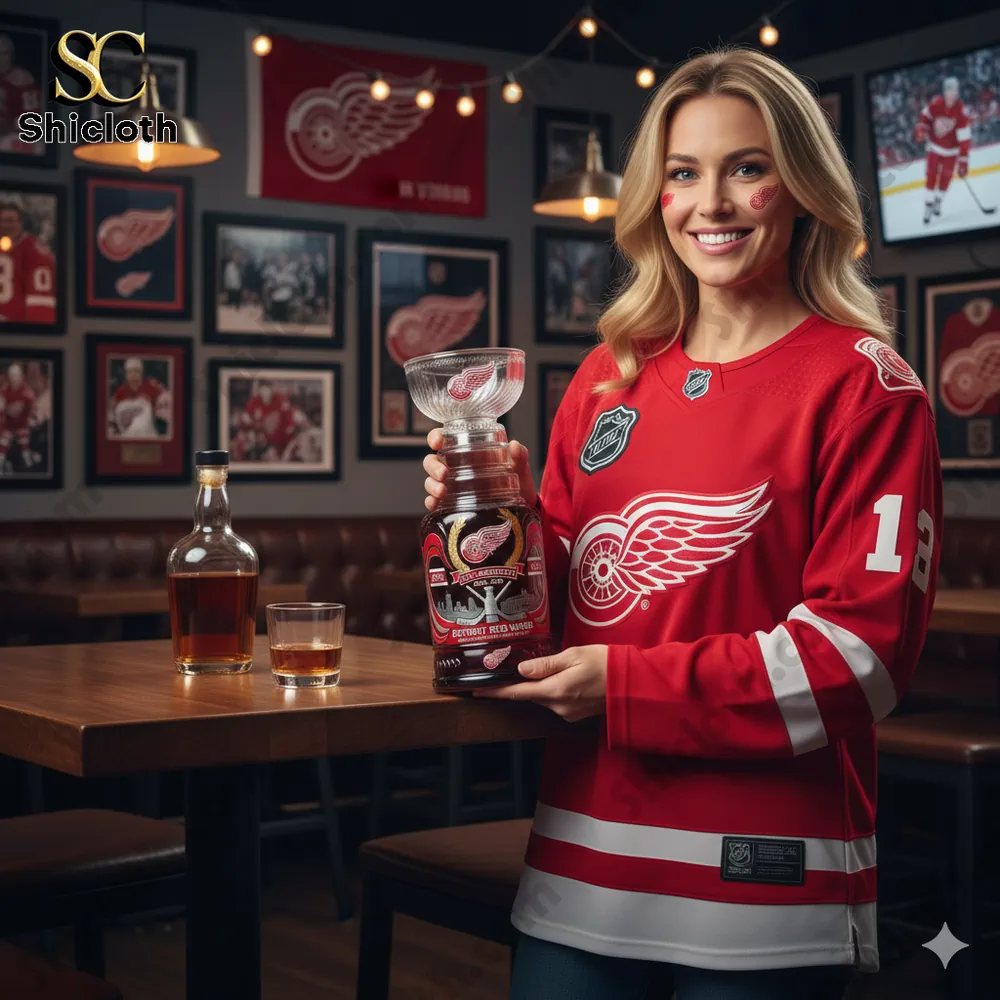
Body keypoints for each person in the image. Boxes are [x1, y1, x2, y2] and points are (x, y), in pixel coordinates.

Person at [422, 47, 943, 1000]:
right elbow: (573, 598)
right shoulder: (609, 373)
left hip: (764, 876)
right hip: (582, 852)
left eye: (747, 168)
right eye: (683, 173)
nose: (713, 203)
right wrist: (494, 523)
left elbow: (857, 660)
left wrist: (625, 685)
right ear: (653, 198)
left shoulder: (868, 386)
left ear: (802, 189)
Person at [914, 75, 971, 225]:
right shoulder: (935, 104)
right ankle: (928, 206)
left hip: (952, 152)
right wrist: (922, 129)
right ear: (945, 92)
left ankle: (938, 200)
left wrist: (963, 161)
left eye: (954, 91)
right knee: (931, 175)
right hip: (934, 148)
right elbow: (924, 117)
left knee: (946, 178)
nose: (951, 94)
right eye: (949, 90)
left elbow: (964, 139)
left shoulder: (961, 112)